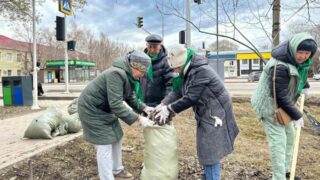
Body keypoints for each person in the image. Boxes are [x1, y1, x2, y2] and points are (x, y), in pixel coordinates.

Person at [155, 45, 239, 180]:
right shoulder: (187, 70)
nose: (175, 71)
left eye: (176, 68)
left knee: (211, 150)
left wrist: (169, 109)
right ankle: (208, 175)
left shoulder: (200, 71)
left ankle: (212, 177)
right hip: (206, 110)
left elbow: (191, 98)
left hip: (216, 111)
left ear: (182, 63)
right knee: (205, 146)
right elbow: (177, 91)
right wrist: (163, 103)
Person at [78, 50, 155, 180]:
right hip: (91, 109)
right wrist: (139, 118)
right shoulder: (116, 74)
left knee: (117, 136)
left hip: (104, 109)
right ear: (135, 66)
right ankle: (107, 177)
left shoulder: (129, 75)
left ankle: (117, 169)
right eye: (142, 72)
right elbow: (116, 104)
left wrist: (145, 108)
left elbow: (130, 97)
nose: (142, 75)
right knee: (104, 144)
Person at [251, 32, 317, 180]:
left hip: (282, 106)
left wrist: (304, 84)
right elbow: (279, 96)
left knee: (290, 136)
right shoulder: (279, 66)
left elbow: (298, 75)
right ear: (294, 49)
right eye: (300, 52)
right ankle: (279, 177)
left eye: (307, 53)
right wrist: (297, 115)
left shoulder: (295, 61)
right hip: (269, 107)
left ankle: (287, 172)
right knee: (279, 143)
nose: (303, 56)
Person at [140, 34, 174, 107]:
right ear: (146, 45)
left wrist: (165, 103)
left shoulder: (167, 61)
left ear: (160, 46)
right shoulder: (141, 59)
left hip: (159, 104)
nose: (152, 50)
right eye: (150, 47)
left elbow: (170, 85)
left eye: (155, 47)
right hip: (141, 104)